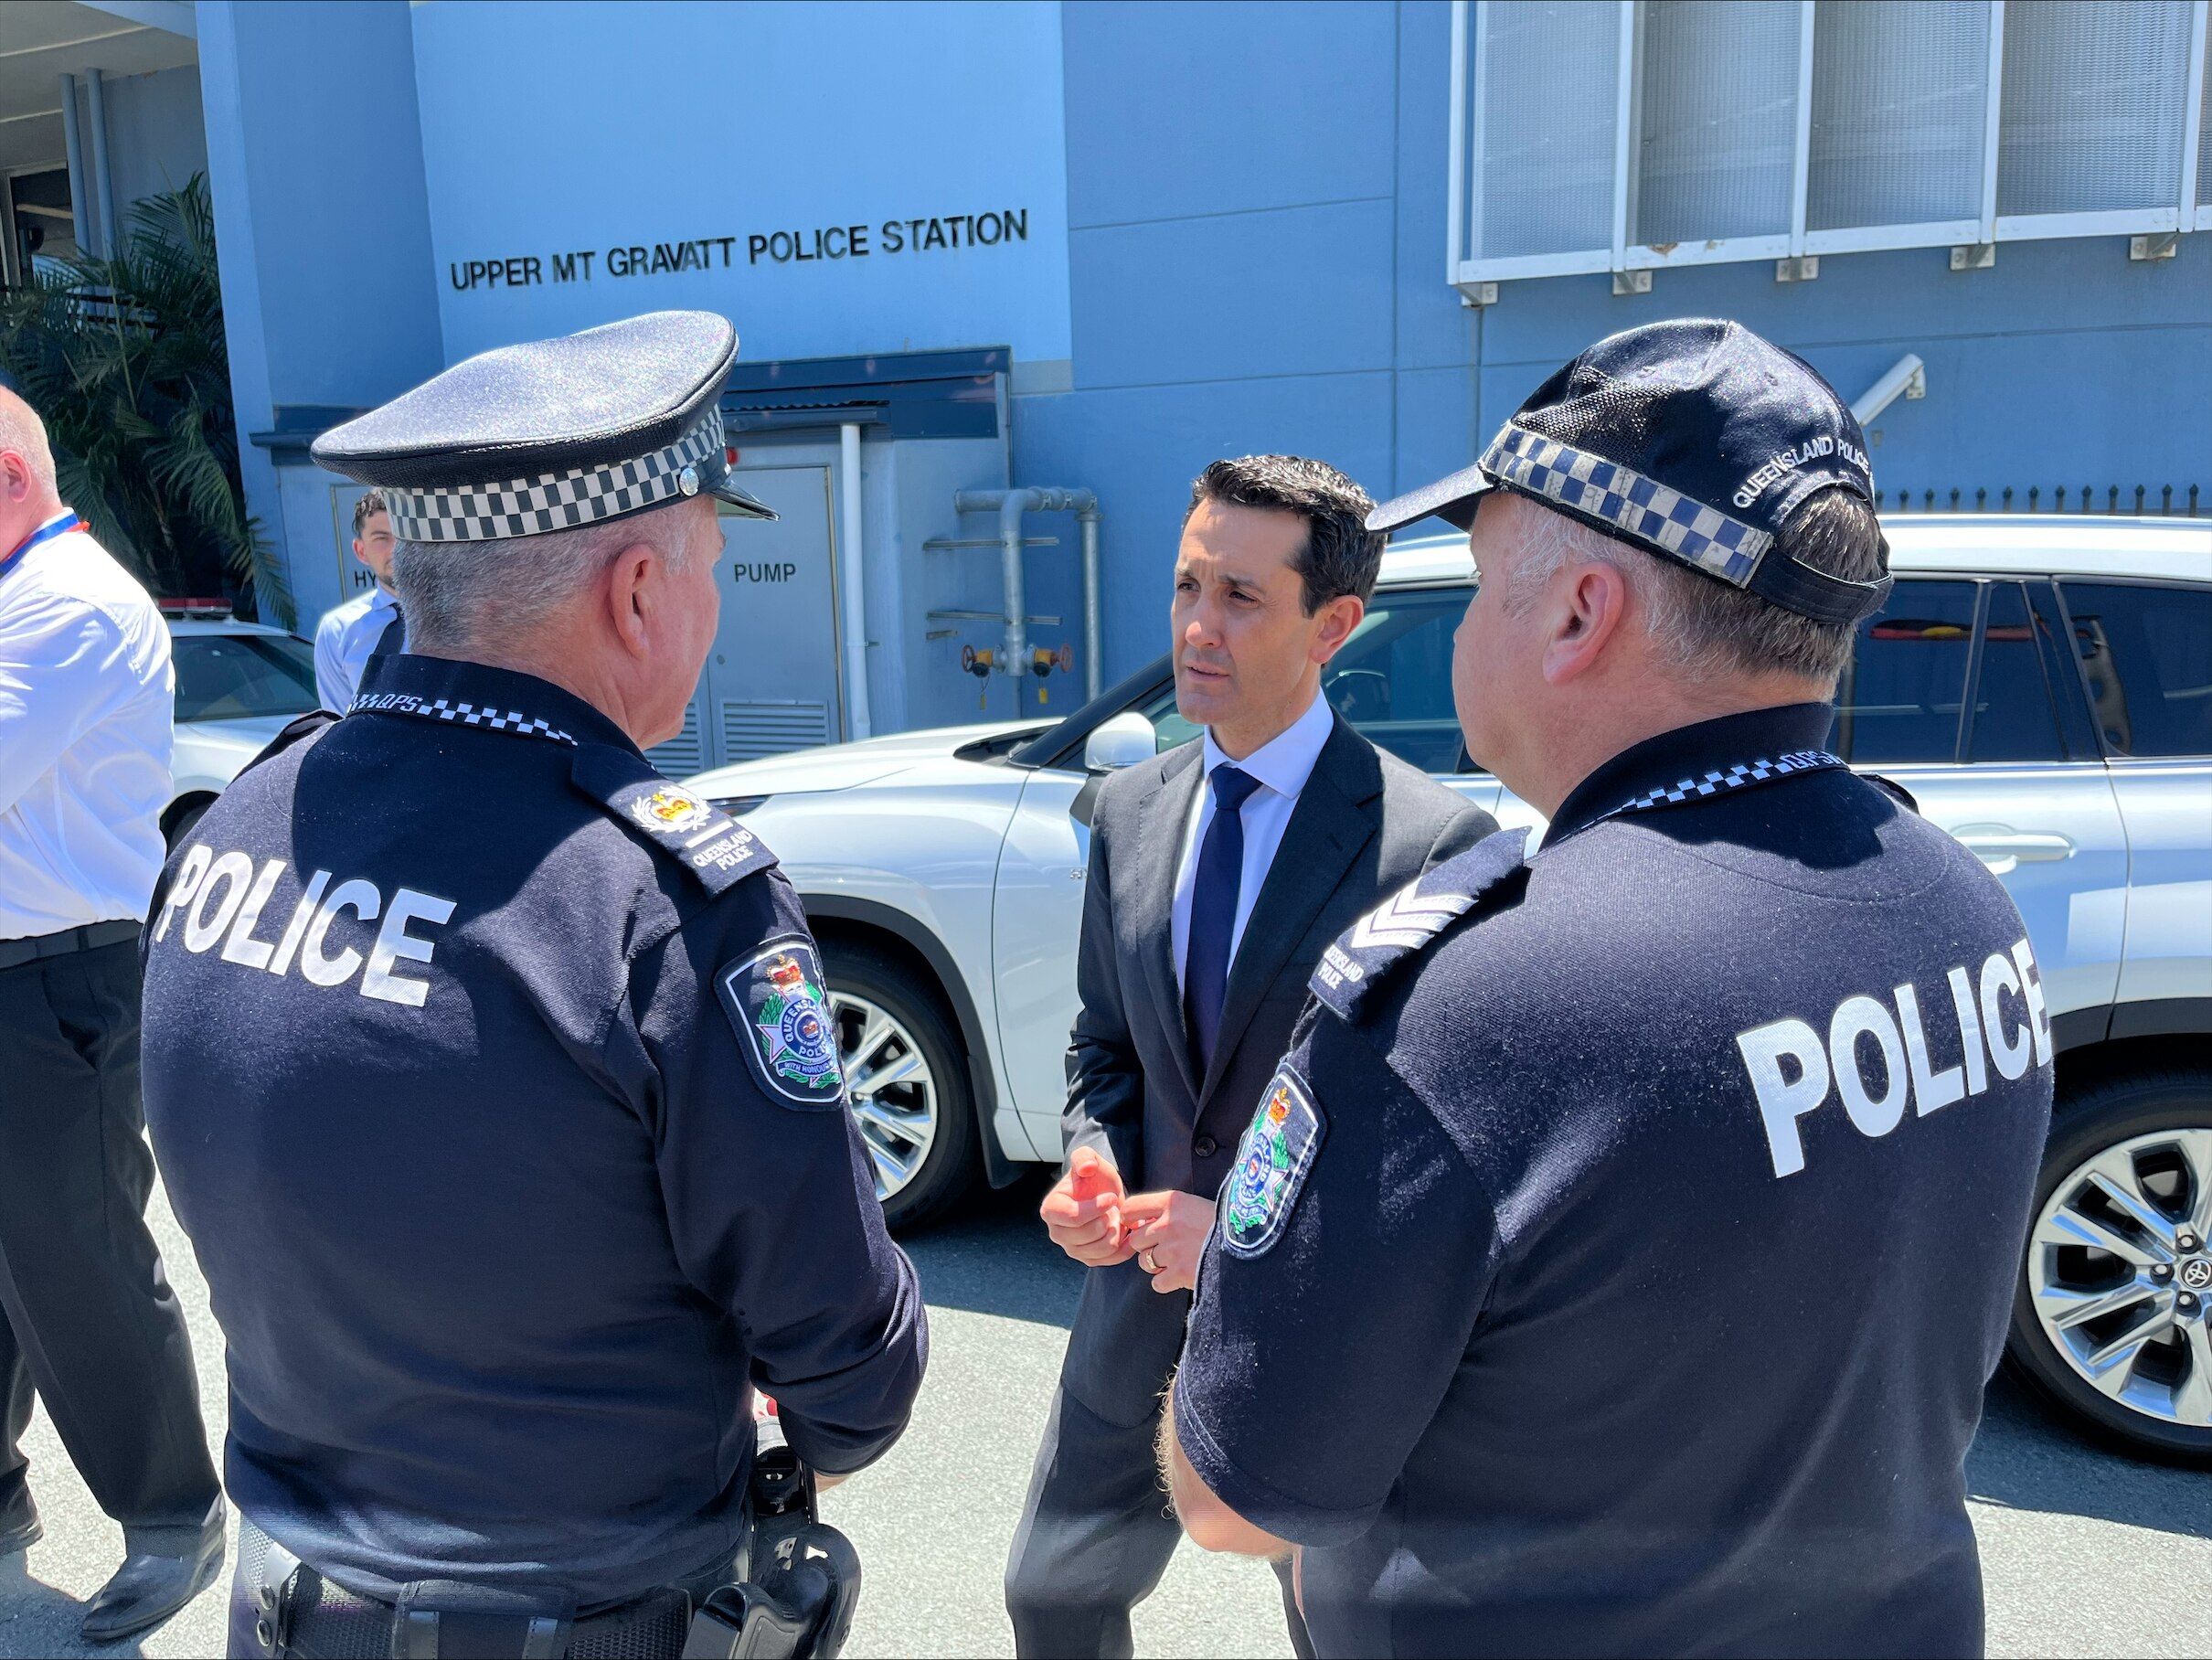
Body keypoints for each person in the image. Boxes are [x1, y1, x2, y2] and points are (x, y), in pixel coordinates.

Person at [1158, 319, 2057, 1658]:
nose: (1467, 622)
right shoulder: (1955, 902)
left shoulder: (1488, 994)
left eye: (1477, 582)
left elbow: (1238, 1499)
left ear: (1582, 613)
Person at [136, 311, 928, 1659]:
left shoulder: (241, 823)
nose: (713, 604)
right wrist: (826, 1426)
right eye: (713, 561)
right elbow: (844, 1350)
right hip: (577, 1613)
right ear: (636, 591)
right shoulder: (663, 898)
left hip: (285, 1599)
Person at [1006, 455, 1495, 1658]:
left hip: (1320, 1333)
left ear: (1333, 626)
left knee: (1342, 1631)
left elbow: (1430, 1142)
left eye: (1239, 597)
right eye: (1185, 586)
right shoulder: (1127, 811)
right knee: (1052, 1595)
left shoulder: (1430, 843)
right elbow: (1105, 1040)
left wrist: (1233, 1229)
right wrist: (1094, 1164)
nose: (1196, 627)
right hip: (1132, 1306)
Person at [0, 387, 228, 1642]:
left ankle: (171, 1518)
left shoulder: (70, 605)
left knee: (78, 1261)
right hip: (19, 970)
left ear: (7, 478)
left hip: (51, 978)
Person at [311, 490, 401, 710]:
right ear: (361, 551)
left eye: (405, 535)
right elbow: (339, 722)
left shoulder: (465, 616)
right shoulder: (338, 631)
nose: (397, 549)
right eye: (382, 538)